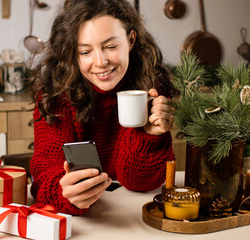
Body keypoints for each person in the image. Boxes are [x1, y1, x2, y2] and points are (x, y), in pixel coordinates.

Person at [28, 0, 175, 215]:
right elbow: (44, 170)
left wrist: (149, 136)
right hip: (84, 221)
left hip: (134, 213)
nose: (100, 62)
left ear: (131, 40)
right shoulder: (55, 93)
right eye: (85, 52)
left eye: (111, 47)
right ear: (72, 53)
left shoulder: (151, 88)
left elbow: (140, 182)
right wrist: (64, 192)